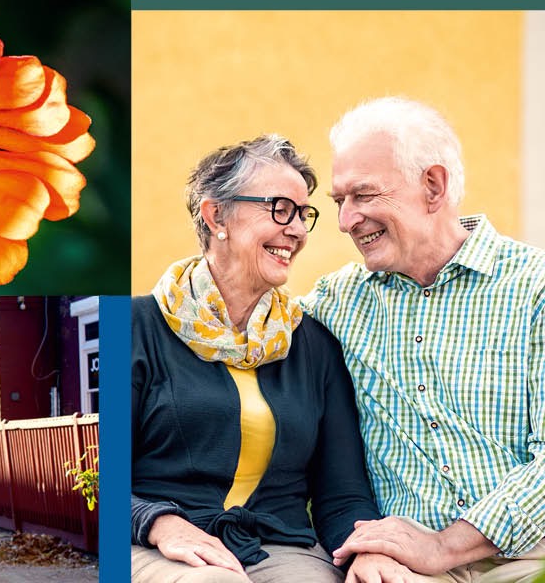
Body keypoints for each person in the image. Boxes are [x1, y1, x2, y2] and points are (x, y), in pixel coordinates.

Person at [303, 97, 545, 582]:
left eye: (364, 196)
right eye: (339, 201)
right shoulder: (336, 303)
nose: (346, 221)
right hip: (405, 569)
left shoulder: (533, 287)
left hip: (529, 557)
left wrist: (445, 544)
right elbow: (240, 332)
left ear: (433, 186)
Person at [131, 134, 384, 582]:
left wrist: (367, 551)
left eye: (304, 215)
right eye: (280, 208)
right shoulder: (136, 326)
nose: (298, 230)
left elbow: (342, 494)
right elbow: (99, 471)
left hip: (281, 546)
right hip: (153, 541)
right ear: (216, 216)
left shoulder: (314, 344)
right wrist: (157, 522)